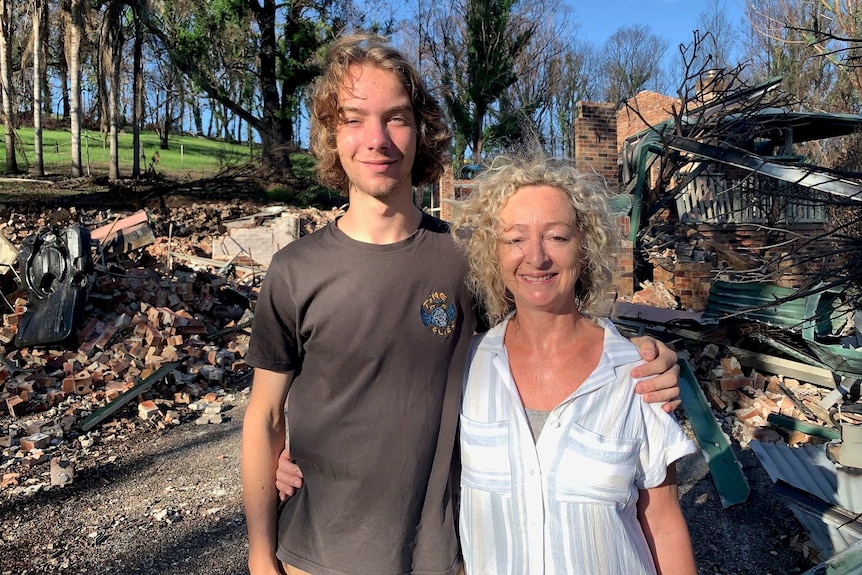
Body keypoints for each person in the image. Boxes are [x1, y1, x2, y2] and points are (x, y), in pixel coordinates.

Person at [244, 32, 681, 575]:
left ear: (420, 132)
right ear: (333, 136)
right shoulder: (294, 272)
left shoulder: (464, 262)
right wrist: (261, 553)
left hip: (439, 558)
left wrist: (641, 355)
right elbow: (263, 419)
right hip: (316, 556)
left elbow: (546, 326)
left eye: (396, 118)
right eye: (355, 118)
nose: (376, 139)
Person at [452, 154, 697, 575]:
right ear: (493, 252)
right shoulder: (467, 367)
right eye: (514, 239)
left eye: (557, 237)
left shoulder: (635, 373)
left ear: (584, 248)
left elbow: (664, 523)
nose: (536, 257)